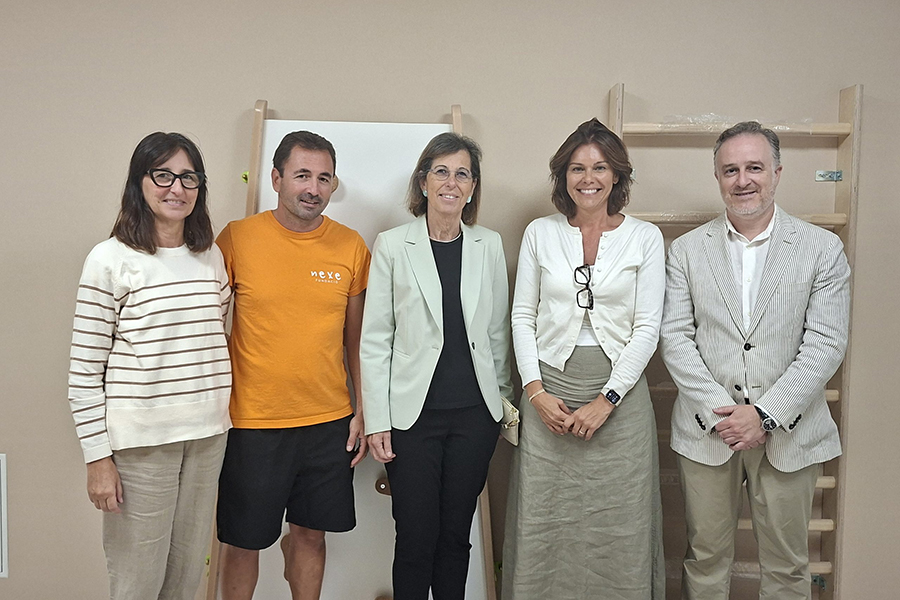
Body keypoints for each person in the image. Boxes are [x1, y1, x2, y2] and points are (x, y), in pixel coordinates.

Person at [660, 121, 850, 600]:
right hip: (708, 431)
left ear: (777, 173)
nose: (742, 179)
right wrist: (726, 415)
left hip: (791, 429)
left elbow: (826, 343)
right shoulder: (684, 251)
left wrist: (764, 415)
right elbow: (676, 339)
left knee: (788, 568)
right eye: (730, 170)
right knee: (704, 560)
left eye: (754, 167)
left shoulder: (822, 249)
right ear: (718, 177)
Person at [502, 118, 666, 599]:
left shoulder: (645, 238)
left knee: (622, 521)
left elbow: (646, 327)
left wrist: (606, 400)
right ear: (563, 177)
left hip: (619, 399)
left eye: (599, 167)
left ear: (617, 175)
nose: (587, 178)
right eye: (576, 168)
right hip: (548, 396)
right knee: (543, 520)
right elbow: (522, 318)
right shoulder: (540, 232)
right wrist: (535, 393)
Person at [68, 132, 232, 600]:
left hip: (206, 438)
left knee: (185, 579)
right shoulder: (109, 259)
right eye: (162, 175)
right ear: (139, 183)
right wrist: (98, 459)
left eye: (188, 177)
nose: (176, 188)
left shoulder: (210, 257)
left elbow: (212, 338)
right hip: (141, 445)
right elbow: (83, 373)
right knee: (138, 582)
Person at [214, 131, 370, 600]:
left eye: (324, 178)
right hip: (253, 422)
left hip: (327, 422)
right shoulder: (237, 239)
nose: (313, 188)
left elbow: (356, 343)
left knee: (311, 535)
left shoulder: (351, 247)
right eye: (302, 175)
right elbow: (210, 327)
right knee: (243, 542)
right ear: (277, 178)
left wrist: (363, 410)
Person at [360, 132, 513, 600]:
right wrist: (378, 420)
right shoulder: (391, 245)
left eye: (462, 173)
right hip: (412, 419)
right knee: (414, 538)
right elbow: (375, 338)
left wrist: (501, 404)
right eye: (441, 171)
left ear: (472, 187)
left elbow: (497, 333)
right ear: (423, 181)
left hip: (474, 418)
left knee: (454, 537)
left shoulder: (488, 245)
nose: (451, 181)